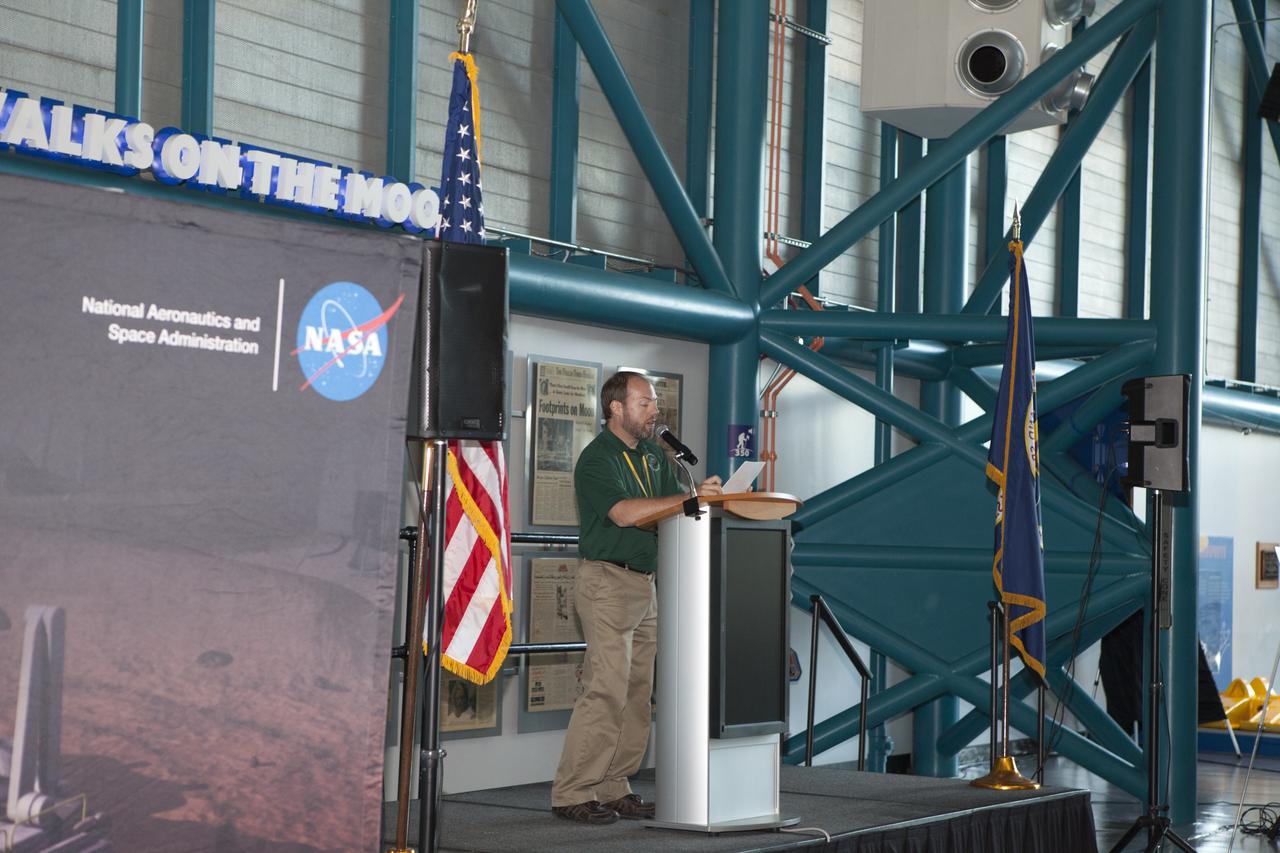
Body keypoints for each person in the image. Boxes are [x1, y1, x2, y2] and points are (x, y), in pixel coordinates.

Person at [550, 371, 722, 824]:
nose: (655, 411)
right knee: (605, 689)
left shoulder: (653, 455)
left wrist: (699, 499)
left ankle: (613, 784)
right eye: (645, 402)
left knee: (638, 692)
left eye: (654, 402)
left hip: (647, 584)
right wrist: (686, 503)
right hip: (607, 582)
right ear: (616, 409)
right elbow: (625, 514)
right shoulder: (596, 459)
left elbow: (673, 509)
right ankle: (573, 791)